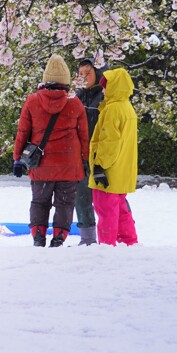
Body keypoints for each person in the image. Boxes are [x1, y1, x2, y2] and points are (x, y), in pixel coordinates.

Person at [12, 55, 90, 247]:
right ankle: (58, 238)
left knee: (39, 201)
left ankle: (38, 236)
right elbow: (84, 136)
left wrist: (17, 158)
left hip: (42, 165)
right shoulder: (75, 103)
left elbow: (23, 132)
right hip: (69, 167)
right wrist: (86, 160)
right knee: (64, 203)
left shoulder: (32, 101)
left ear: (45, 79)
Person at [89, 68, 139, 246]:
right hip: (122, 172)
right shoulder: (127, 108)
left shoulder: (112, 110)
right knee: (121, 210)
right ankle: (129, 242)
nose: (103, 90)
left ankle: (107, 246)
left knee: (106, 211)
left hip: (110, 172)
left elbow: (109, 142)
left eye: (105, 86)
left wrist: (99, 166)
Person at [73, 58, 106, 245]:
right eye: (81, 73)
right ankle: (87, 239)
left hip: (101, 155)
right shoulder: (76, 97)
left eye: (88, 72)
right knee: (81, 196)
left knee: (108, 197)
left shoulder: (104, 96)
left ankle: (119, 233)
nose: (84, 77)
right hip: (80, 155)